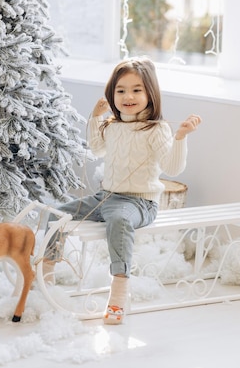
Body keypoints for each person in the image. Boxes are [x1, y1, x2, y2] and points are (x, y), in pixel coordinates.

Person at [44, 56, 202, 325]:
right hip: (105, 196)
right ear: (112, 94)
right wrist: (96, 117)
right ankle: (46, 278)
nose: (128, 96)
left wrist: (180, 138)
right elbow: (96, 149)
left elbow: (172, 168)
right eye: (121, 90)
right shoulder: (113, 126)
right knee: (56, 215)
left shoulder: (157, 129)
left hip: (140, 203)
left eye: (137, 89)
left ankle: (117, 296)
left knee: (118, 220)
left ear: (150, 94)